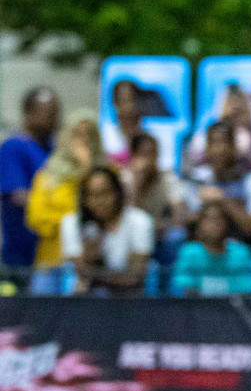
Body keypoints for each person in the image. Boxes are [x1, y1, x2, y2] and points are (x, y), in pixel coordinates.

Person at [26, 118, 107, 280]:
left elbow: (107, 215)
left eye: (89, 135)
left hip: (98, 263)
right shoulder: (47, 175)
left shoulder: (106, 174)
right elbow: (36, 218)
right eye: (78, 135)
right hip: (52, 262)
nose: (84, 141)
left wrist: (87, 171)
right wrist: (69, 222)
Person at [62, 166, 152, 296]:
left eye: (105, 193)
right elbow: (79, 271)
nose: (99, 201)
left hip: (127, 302)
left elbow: (134, 276)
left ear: (118, 193)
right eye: (92, 195)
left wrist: (93, 273)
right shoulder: (72, 223)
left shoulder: (140, 221)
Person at [1, 87, 60, 271]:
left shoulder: (55, 149)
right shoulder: (14, 146)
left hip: (52, 253)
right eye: (47, 113)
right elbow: (17, 196)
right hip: (20, 254)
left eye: (55, 113)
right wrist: (60, 211)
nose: (53, 119)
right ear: (29, 114)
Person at [184, 120, 251, 242]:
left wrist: (222, 200)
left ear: (235, 146)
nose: (220, 150)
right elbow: (187, 225)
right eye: (213, 143)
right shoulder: (197, 178)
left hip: (244, 247)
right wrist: (205, 207)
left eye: (225, 142)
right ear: (206, 148)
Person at [123, 131, 189, 266]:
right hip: (131, 236)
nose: (149, 159)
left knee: (176, 237)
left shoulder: (168, 179)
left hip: (160, 236)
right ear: (133, 156)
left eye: (153, 153)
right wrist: (137, 183)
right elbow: (125, 215)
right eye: (143, 154)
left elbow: (180, 214)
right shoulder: (124, 179)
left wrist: (166, 226)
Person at [184, 85, 251, 173]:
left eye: (241, 102)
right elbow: (192, 161)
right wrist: (218, 148)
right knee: (201, 174)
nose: (235, 106)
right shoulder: (205, 137)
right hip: (214, 179)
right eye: (229, 102)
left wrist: (247, 152)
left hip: (245, 179)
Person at [170, 200, 251, 296]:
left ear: (227, 224)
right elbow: (182, 288)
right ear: (199, 224)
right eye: (209, 219)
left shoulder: (241, 253)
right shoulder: (189, 252)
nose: (214, 224)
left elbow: (247, 290)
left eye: (218, 219)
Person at [100, 80, 146, 165]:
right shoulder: (104, 135)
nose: (129, 106)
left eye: (133, 100)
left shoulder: (153, 134)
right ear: (115, 103)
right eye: (124, 100)